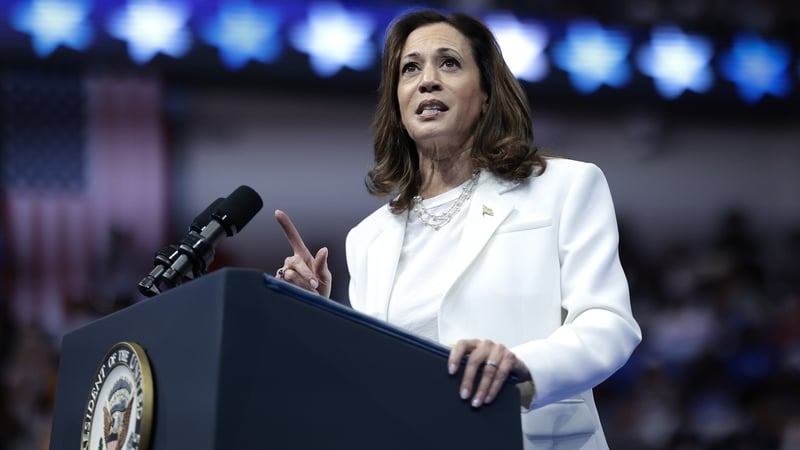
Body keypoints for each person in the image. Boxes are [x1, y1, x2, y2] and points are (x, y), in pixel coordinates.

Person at [273, 9, 641, 449]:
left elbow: (609, 324)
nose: (428, 79)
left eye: (449, 62)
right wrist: (320, 317)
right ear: (397, 100)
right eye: (410, 68)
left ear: (486, 92)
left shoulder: (565, 187)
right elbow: (373, 377)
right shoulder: (368, 238)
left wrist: (521, 365)